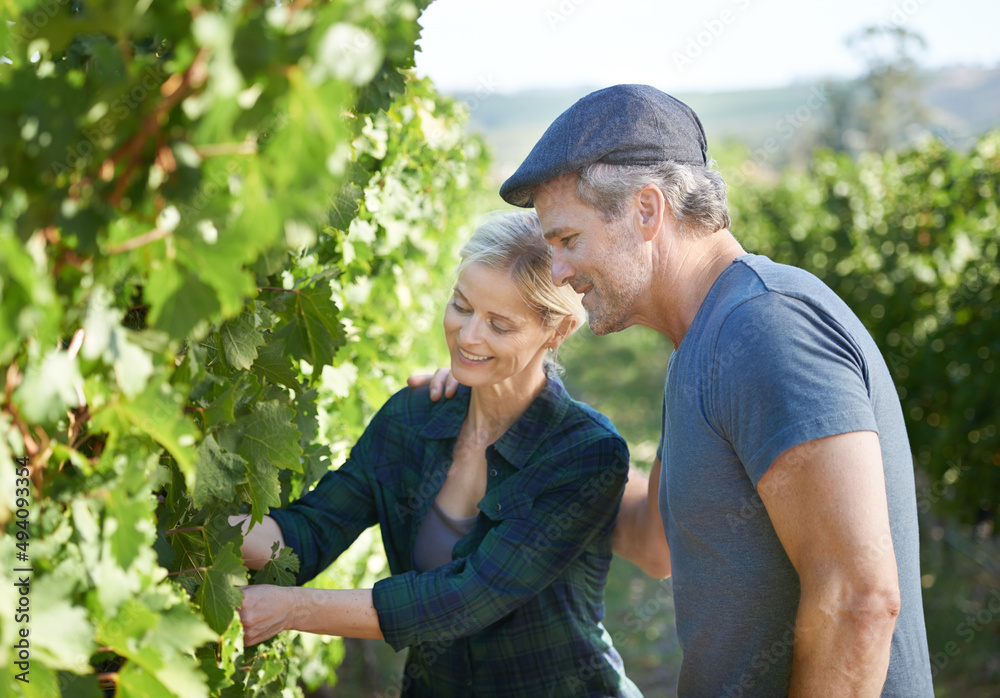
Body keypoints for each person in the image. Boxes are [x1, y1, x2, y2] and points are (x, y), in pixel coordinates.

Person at [419, 84, 934, 696]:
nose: (556, 271)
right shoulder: (702, 345)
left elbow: (858, 600)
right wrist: (505, 409)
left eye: (567, 241)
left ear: (646, 210)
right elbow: (652, 541)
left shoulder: (764, 329)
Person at [233, 210, 644, 697]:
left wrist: (292, 609)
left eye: (500, 324)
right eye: (461, 306)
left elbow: (467, 597)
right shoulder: (412, 417)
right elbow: (310, 533)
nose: (469, 336)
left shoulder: (584, 452)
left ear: (555, 333)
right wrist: (194, 523)